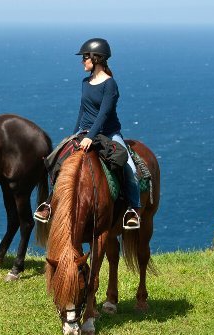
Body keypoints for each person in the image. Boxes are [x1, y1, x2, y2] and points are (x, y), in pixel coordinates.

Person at [35, 38, 141, 228]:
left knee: (130, 169)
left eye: (85, 58)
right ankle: (50, 204)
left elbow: (104, 114)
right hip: (84, 132)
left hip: (109, 133)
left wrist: (90, 136)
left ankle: (134, 210)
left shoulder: (110, 84)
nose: (82, 61)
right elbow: (82, 111)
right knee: (59, 162)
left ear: (97, 58)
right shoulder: (85, 82)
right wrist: (74, 136)